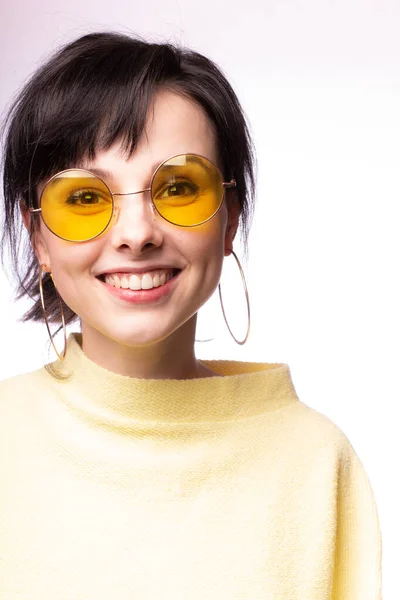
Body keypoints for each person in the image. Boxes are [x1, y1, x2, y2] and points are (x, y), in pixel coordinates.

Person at [0, 32, 381, 599]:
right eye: (83, 198)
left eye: (178, 188)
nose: (136, 234)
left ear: (230, 218)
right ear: (40, 240)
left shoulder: (319, 463)